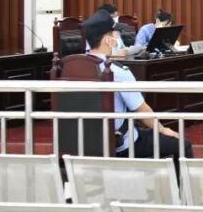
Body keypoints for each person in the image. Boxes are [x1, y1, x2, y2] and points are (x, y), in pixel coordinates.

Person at [82, 10, 193, 163]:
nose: (117, 38)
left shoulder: (72, 67)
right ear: (108, 40)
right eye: (115, 34)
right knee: (183, 145)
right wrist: (162, 129)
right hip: (120, 145)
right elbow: (142, 111)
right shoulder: (117, 72)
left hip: (83, 143)